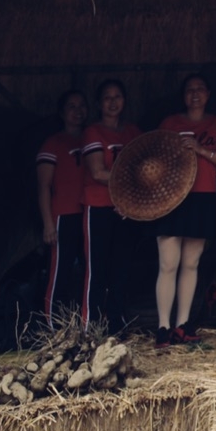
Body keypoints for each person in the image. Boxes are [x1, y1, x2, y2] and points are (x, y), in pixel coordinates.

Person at [153, 73, 216, 348]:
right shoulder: (170, 123)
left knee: (191, 263)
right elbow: (155, 161)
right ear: (183, 96)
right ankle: (163, 327)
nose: (195, 94)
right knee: (168, 263)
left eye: (200, 89)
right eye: (189, 90)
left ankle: (182, 325)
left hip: (203, 197)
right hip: (172, 199)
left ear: (208, 94)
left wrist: (199, 150)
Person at [80, 78, 141, 330]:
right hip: (99, 205)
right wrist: (129, 180)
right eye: (107, 97)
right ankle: (90, 325)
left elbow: (145, 168)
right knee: (97, 267)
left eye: (117, 97)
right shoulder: (93, 132)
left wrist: (127, 196)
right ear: (98, 103)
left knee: (121, 266)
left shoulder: (132, 133)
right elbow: (98, 172)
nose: (113, 102)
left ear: (124, 101)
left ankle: (116, 322)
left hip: (126, 209)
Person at [36, 89, 88, 328]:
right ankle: (53, 327)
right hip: (63, 216)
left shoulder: (91, 138)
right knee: (59, 271)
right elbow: (43, 186)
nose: (78, 111)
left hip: (89, 213)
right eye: (71, 107)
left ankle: (84, 323)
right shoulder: (53, 143)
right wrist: (48, 223)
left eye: (82, 106)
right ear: (61, 112)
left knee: (88, 271)